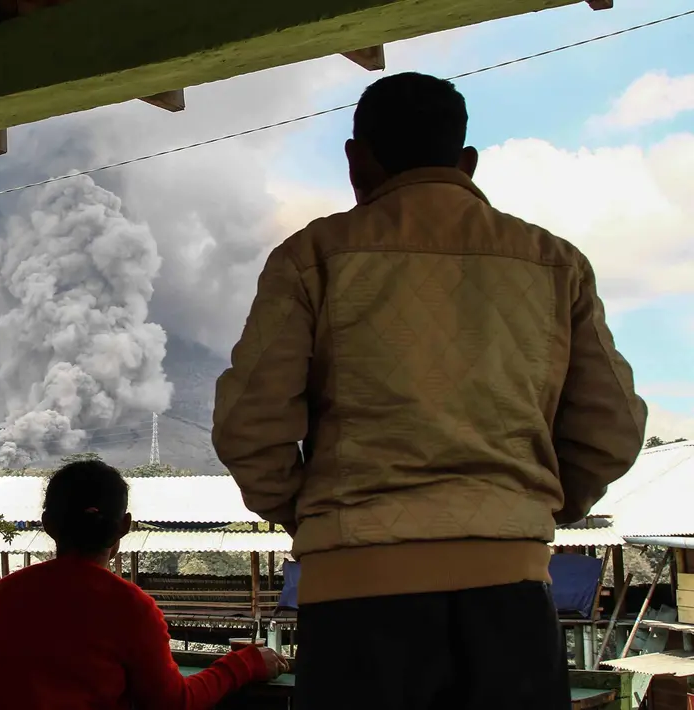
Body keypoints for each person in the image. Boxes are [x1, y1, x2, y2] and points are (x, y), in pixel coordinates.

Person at [213, 72, 646, 710]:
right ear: (467, 163)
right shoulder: (555, 263)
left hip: (354, 599)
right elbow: (611, 429)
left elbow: (250, 425)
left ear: (357, 161)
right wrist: (527, 512)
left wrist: (310, 512)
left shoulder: (312, 257)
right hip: (512, 598)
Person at [0, 460, 287, 710]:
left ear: (48, 525)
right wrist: (245, 664)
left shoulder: (5, 594)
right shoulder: (129, 606)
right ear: (124, 526)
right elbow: (174, 703)